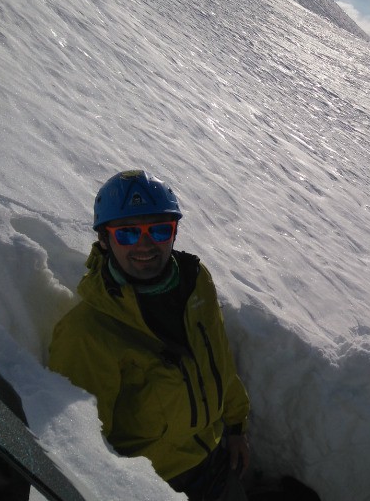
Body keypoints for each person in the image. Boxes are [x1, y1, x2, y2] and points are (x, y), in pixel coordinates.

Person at [49, 170, 251, 500]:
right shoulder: (86, 333)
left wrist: (237, 425)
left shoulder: (196, 283)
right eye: (128, 233)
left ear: (174, 232)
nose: (145, 244)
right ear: (104, 239)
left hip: (215, 458)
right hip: (154, 485)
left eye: (159, 230)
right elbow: (81, 445)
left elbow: (218, 359)